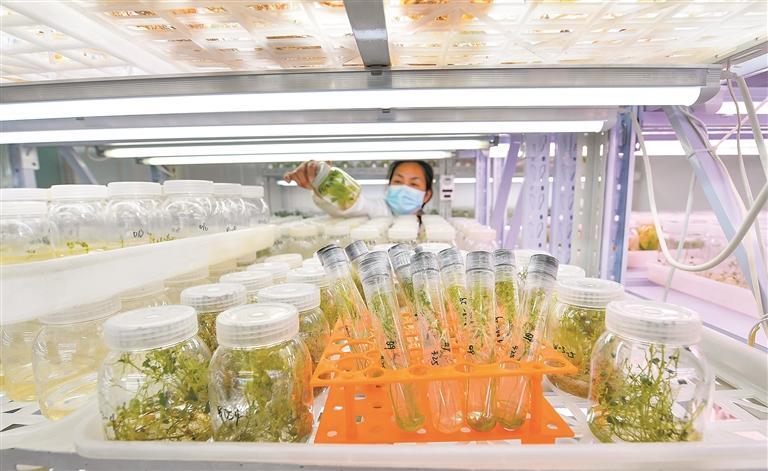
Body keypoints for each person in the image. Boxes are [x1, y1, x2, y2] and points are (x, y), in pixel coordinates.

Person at [284, 160, 434, 218]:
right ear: (389, 187)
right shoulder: (379, 210)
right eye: (398, 181)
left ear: (427, 195)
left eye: (414, 184)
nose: (403, 189)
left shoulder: (436, 230)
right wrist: (323, 182)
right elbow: (353, 205)